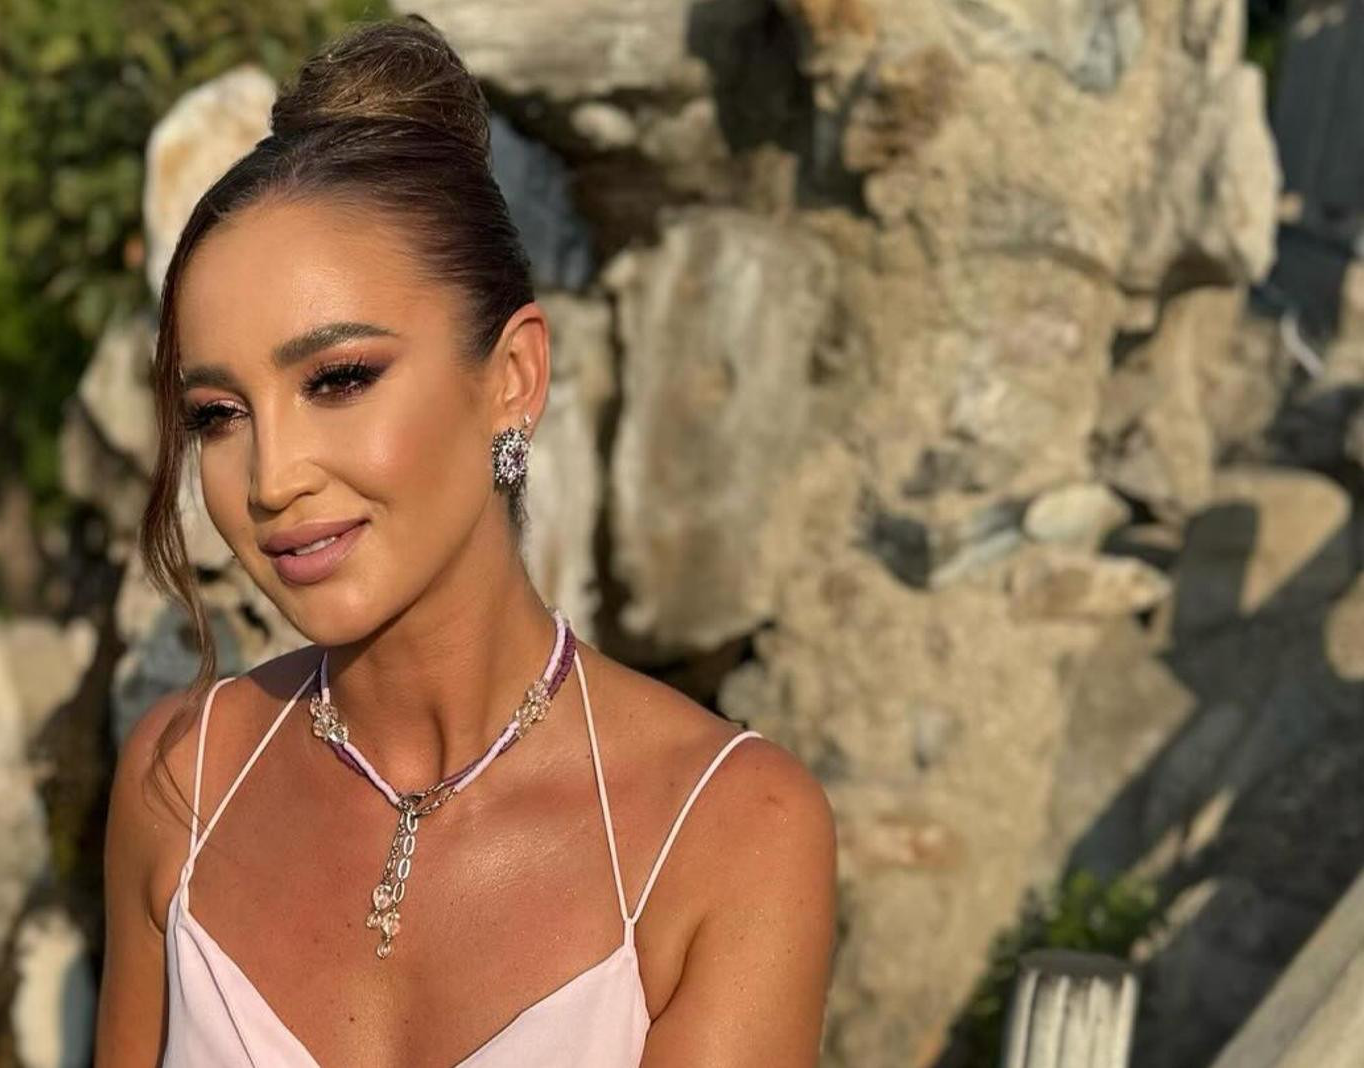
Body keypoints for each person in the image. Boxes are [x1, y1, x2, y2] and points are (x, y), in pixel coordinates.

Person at [95, 16, 835, 1067]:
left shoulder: (725, 833)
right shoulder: (178, 783)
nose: (271, 478)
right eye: (218, 414)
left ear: (512, 378)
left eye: (339, 379)